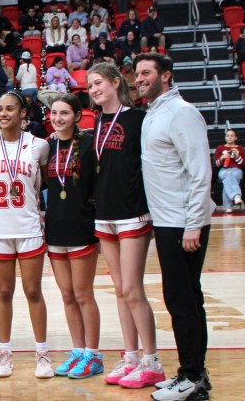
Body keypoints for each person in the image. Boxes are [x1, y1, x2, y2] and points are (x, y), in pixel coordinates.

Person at [133, 53, 215, 401]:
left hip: (183, 224)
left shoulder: (182, 113)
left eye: (146, 73)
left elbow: (200, 172)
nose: (139, 78)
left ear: (165, 76)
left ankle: (191, 378)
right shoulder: (155, 112)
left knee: (182, 301)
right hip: (167, 222)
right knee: (185, 299)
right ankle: (194, 373)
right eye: (137, 73)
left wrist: (193, 224)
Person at [86, 62, 165, 389]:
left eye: (99, 83)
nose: (94, 90)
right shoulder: (95, 124)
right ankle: (131, 356)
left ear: (116, 82)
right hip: (105, 214)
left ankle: (152, 361)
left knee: (133, 289)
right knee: (120, 290)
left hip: (133, 213)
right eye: (90, 86)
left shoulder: (138, 119)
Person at [0, 91, 52, 379]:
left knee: (33, 291)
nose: (3, 113)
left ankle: (42, 354)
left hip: (29, 227)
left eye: (10, 109)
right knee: (4, 292)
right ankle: (4, 352)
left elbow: (49, 182)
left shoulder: (39, 146)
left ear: (23, 113)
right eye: (0, 109)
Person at [44, 96, 104, 379]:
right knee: (67, 295)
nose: (58, 118)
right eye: (54, 113)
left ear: (77, 116)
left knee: (82, 294)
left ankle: (94, 354)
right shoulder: (47, 146)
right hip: (55, 229)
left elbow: (100, 187)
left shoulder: (90, 144)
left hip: (82, 227)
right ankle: (78, 351)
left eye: (64, 113)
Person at [213, 129, 245, 213]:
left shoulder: (240, 148)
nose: (229, 137)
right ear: (225, 137)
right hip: (223, 169)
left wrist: (237, 156)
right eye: (227, 135)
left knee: (227, 180)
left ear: (236, 138)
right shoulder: (220, 148)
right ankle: (236, 196)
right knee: (228, 174)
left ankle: (228, 207)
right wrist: (222, 158)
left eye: (232, 136)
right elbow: (216, 164)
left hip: (236, 170)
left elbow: (242, 164)